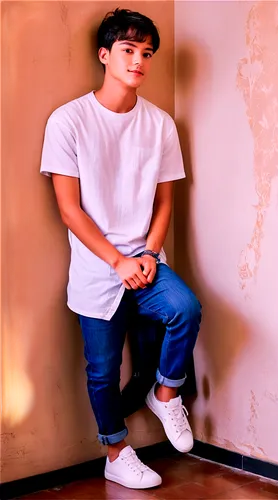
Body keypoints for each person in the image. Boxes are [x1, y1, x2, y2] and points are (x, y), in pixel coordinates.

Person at [40, 8, 202, 490]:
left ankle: (166, 394)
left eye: (147, 53)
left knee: (185, 309)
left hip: (147, 260)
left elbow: (165, 203)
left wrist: (149, 255)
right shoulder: (68, 120)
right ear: (105, 55)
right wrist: (116, 260)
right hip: (97, 267)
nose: (139, 61)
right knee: (103, 369)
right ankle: (115, 451)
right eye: (129, 50)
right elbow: (69, 210)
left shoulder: (160, 125)